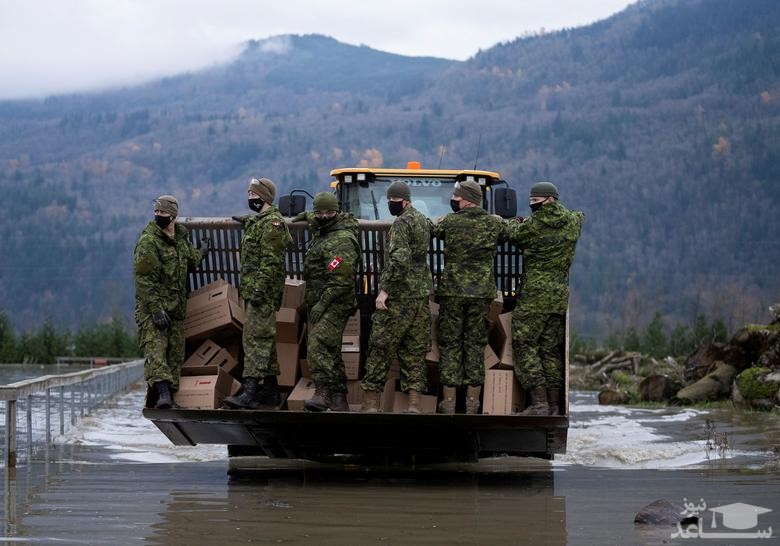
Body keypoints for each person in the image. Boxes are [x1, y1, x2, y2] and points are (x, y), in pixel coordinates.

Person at [506, 181, 583, 415]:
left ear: (548, 200)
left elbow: (513, 234)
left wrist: (516, 221)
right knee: (549, 349)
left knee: (524, 342)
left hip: (535, 296)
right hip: (558, 296)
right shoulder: (572, 222)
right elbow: (581, 216)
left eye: (535, 203)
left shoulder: (534, 226)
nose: (533, 207)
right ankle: (554, 404)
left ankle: (538, 403)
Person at [433, 180, 507, 414]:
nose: (453, 199)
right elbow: (508, 233)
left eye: (456, 196)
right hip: (480, 294)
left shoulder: (450, 223)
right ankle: (473, 403)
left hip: (453, 292)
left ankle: (449, 402)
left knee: (451, 344)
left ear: (465, 199)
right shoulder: (492, 224)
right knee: (475, 344)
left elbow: (433, 229)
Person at [361, 181, 432, 413]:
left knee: (380, 347)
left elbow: (400, 260)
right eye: (389, 201)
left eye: (395, 201)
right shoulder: (422, 220)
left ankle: (371, 404)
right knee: (414, 350)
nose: (391, 204)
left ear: (405, 200)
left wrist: (385, 291)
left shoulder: (401, 224)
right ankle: (414, 404)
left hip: (399, 297)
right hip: (420, 296)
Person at [134, 195, 208, 408]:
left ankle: (171, 399)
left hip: (176, 309)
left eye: (163, 213)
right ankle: (163, 396)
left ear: (173, 215)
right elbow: (144, 280)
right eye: (156, 212)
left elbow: (190, 261)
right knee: (156, 351)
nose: (158, 216)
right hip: (153, 309)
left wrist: (202, 251)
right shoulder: (149, 242)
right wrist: (156, 309)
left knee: (175, 354)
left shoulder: (180, 239)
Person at [224, 177, 292, 409]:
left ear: (264, 197)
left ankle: (251, 392)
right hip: (256, 292)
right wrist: (248, 221)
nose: (250, 198)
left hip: (261, 293)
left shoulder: (273, 224)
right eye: (249, 194)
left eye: (254, 195)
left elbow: (270, 262)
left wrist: (257, 290)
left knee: (255, 340)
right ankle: (271, 390)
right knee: (264, 340)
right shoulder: (262, 222)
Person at [302, 192, 361, 412]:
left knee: (317, 345)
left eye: (329, 212)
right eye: (319, 212)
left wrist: (321, 304)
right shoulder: (324, 230)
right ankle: (339, 399)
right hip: (323, 301)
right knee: (331, 349)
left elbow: (342, 281)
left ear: (337, 212)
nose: (324, 216)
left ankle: (323, 392)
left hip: (335, 303)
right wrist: (307, 215)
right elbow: (316, 218)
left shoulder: (341, 240)